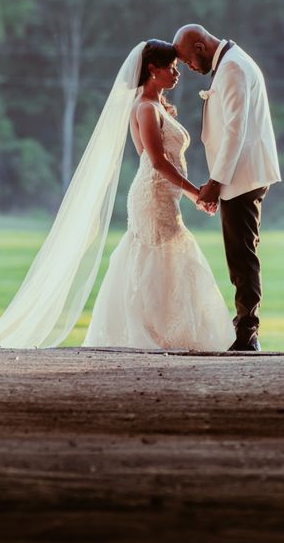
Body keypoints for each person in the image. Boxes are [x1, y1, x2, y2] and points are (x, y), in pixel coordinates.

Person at [80, 41, 233, 352]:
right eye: (171, 68)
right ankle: (155, 332)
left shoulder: (159, 107)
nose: (177, 74)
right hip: (152, 195)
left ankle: (165, 331)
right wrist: (195, 194)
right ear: (152, 70)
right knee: (160, 253)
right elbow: (156, 160)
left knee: (165, 257)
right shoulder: (146, 108)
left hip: (164, 194)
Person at [172, 24, 281, 352]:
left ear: (201, 47)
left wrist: (216, 183)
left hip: (242, 176)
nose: (189, 68)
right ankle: (246, 328)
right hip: (240, 174)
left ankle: (248, 331)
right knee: (241, 251)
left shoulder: (232, 66)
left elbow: (236, 130)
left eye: (188, 60)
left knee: (242, 254)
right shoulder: (233, 60)